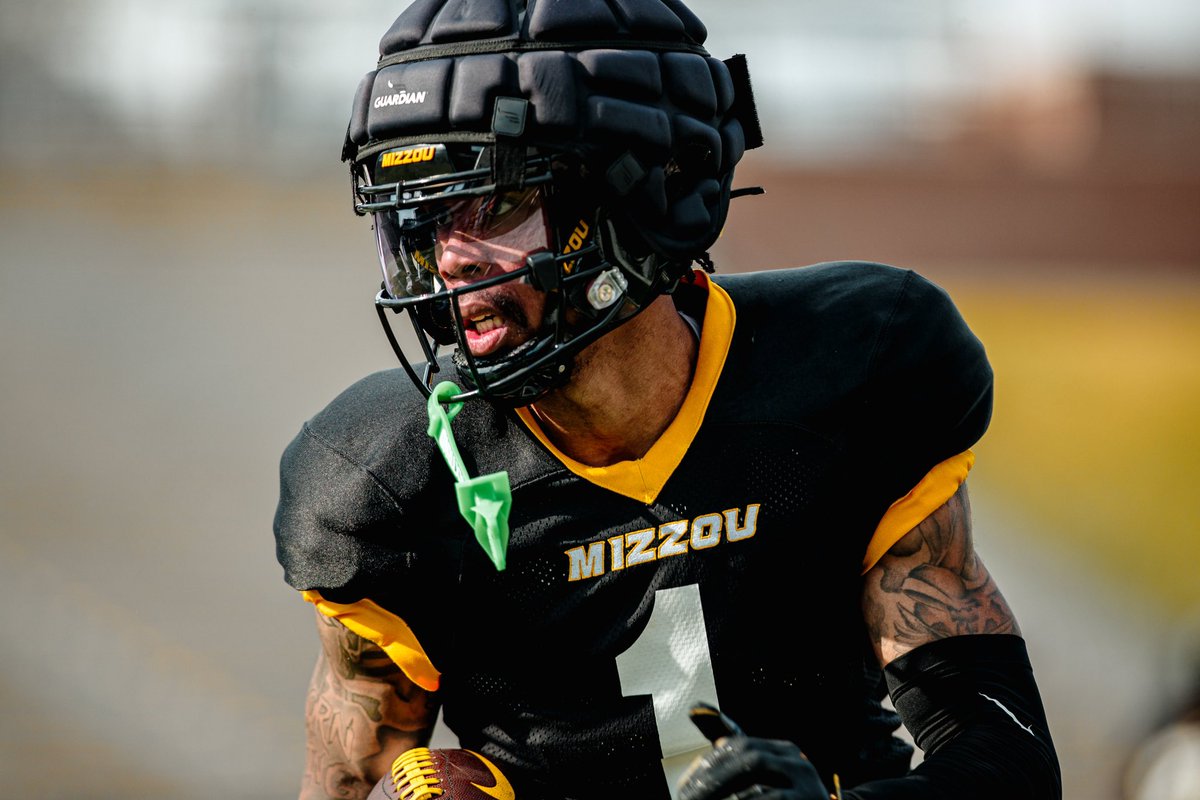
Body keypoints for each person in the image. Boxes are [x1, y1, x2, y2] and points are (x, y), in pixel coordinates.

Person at [273, 1, 1062, 798]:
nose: (450, 261)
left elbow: (1008, 766)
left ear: (639, 191)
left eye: (493, 206)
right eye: (423, 220)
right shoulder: (389, 483)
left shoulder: (848, 377)